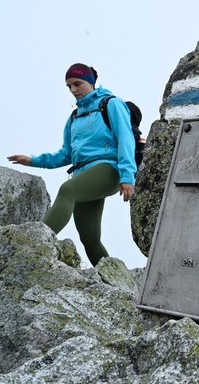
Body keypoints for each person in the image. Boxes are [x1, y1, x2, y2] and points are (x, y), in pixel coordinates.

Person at [8, 63, 137, 267]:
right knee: (89, 238)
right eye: (69, 86)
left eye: (78, 84)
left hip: (110, 169)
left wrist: (127, 176)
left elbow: (125, 139)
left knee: (67, 190)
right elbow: (66, 154)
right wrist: (32, 160)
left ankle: (34, 242)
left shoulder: (111, 104)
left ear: (91, 82)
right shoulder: (75, 116)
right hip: (83, 174)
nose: (73, 90)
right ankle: (119, 285)